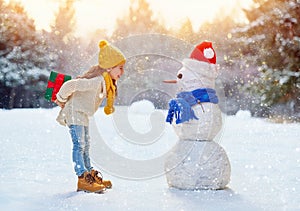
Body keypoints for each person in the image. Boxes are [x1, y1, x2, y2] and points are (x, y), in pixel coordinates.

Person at [55, 40, 126, 193]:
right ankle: (82, 178)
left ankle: (89, 175)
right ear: (109, 67)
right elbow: (71, 85)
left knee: (86, 145)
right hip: (75, 112)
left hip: (83, 114)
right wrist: (60, 99)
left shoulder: (106, 83)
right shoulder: (97, 81)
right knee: (79, 145)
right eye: (120, 68)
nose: (122, 72)